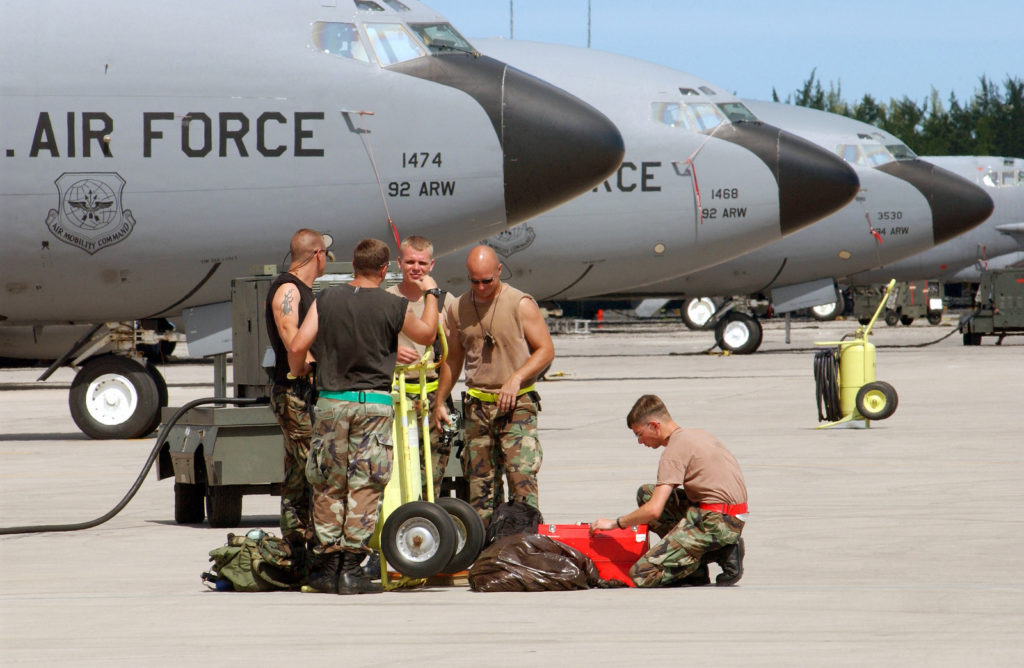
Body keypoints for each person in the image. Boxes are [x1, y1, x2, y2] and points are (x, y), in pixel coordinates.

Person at [288, 238, 439, 594]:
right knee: (366, 483)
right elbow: (428, 334)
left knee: (328, 482)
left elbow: (297, 346)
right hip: (373, 403)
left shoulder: (326, 299)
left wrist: (301, 371)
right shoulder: (394, 304)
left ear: (354, 265)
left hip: (331, 402)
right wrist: (433, 294)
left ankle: (327, 566)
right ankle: (351, 569)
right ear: (385, 269)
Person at [433, 245, 554, 526]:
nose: (481, 287)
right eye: (474, 281)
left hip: (517, 405)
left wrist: (516, 378)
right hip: (478, 406)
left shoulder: (520, 303)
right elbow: (453, 359)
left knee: (521, 479)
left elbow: (545, 350)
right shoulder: (459, 307)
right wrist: (440, 401)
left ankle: (525, 547)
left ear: (499, 271)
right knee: (480, 486)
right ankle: (487, 553)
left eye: (487, 280)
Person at [589, 394, 748, 587]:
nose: (640, 441)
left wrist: (614, 523)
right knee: (646, 493)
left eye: (640, 434)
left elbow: (653, 510)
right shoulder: (696, 434)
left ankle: (720, 552)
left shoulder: (672, 452)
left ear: (655, 426)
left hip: (715, 522)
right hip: (731, 515)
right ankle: (695, 570)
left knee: (643, 574)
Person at [265, 228, 325, 564]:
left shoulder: (300, 289)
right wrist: (309, 367)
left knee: (298, 475)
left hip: (298, 393)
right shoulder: (289, 288)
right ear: (318, 254)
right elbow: (290, 333)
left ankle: (297, 549)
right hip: (295, 393)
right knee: (314, 469)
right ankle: (319, 547)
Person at [387, 235, 456, 498]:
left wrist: (440, 402)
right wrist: (391, 353)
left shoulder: (446, 301)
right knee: (397, 467)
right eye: (410, 261)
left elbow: (455, 356)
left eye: (422, 263)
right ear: (399, 263)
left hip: (432, 393)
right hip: (398, 394)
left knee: (432, 470)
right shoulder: (387, 299)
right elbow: (369, 344)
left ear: (432, 265)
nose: (416, 268)